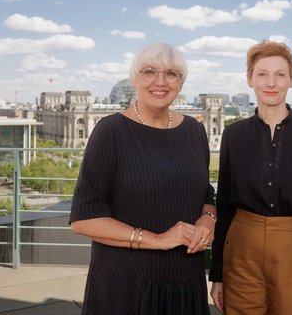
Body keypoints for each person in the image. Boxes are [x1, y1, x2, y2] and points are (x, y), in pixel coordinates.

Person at [70, 43, 217, 315]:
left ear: (181, 83)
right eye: (149, 71)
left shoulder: (194, 131)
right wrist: (158, 239)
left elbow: (204, 192)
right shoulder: (110, 131)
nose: (160, 81)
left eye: (171, 74)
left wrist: (208, 218)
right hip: (127, 286)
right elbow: (83, 219)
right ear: (135, 79)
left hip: (185, 280)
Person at [209, 40, 292, 315]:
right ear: (250, 79)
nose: (271, 82)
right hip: (241, 253)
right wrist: (218, 275)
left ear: (291, 80)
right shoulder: (234, 136)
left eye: (280, 74)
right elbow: (224, 206)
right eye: (262, 74)